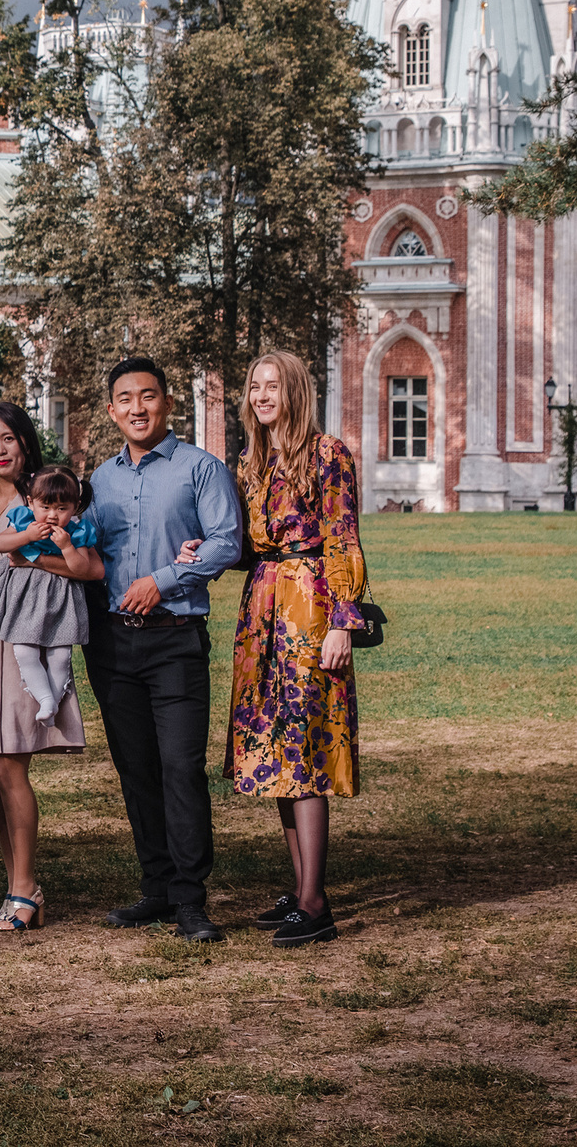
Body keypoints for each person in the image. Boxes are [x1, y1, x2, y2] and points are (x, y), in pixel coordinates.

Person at [80, 357, 242, 943]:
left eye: (148, 396)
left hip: (175, 639)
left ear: (168, 402)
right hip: (112, 644)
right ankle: (157, 887)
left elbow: (227, 542)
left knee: (181, 768)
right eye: (125, 399)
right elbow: (86, 550)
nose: (138, 408)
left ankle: (191, 899)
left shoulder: (201, 469)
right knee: (137, 769)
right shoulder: (99, 481)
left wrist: (165, 580)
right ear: (111, 410)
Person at [226, 350, 370, 948]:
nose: (262, 396)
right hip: (261, 609)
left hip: (310, 609)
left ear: (295, 393)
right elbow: (249, 547)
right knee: (276, 748)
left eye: (273, 386)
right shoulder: (251, 460)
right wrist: (203, 550)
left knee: (304, 747)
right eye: (254, 386)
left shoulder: (327, 454)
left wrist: (343, 623)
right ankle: (301, 885)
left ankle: (315, 902)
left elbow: (343, 538)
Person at [0, 401, 88, 933]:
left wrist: (32, 556)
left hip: (27, 638)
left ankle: (26, 888)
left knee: (11, 766)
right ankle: (15, 883)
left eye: (8, 439)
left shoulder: (49, 497)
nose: (0, 450)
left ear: (25, 442)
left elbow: (89, 567)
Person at [0, 464, 103, 723]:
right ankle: (45, 699)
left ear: (75, 507)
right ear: (31, 502)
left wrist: (67, 547)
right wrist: (26, 536)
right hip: (26, 597)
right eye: (46, 507)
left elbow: (82, 569)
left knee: (60, 656)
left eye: (62, 509)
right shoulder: (24, 520)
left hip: (61, 598)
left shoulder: (77, 531)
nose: (52, 515)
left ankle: (53, 701)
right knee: (24, 650)